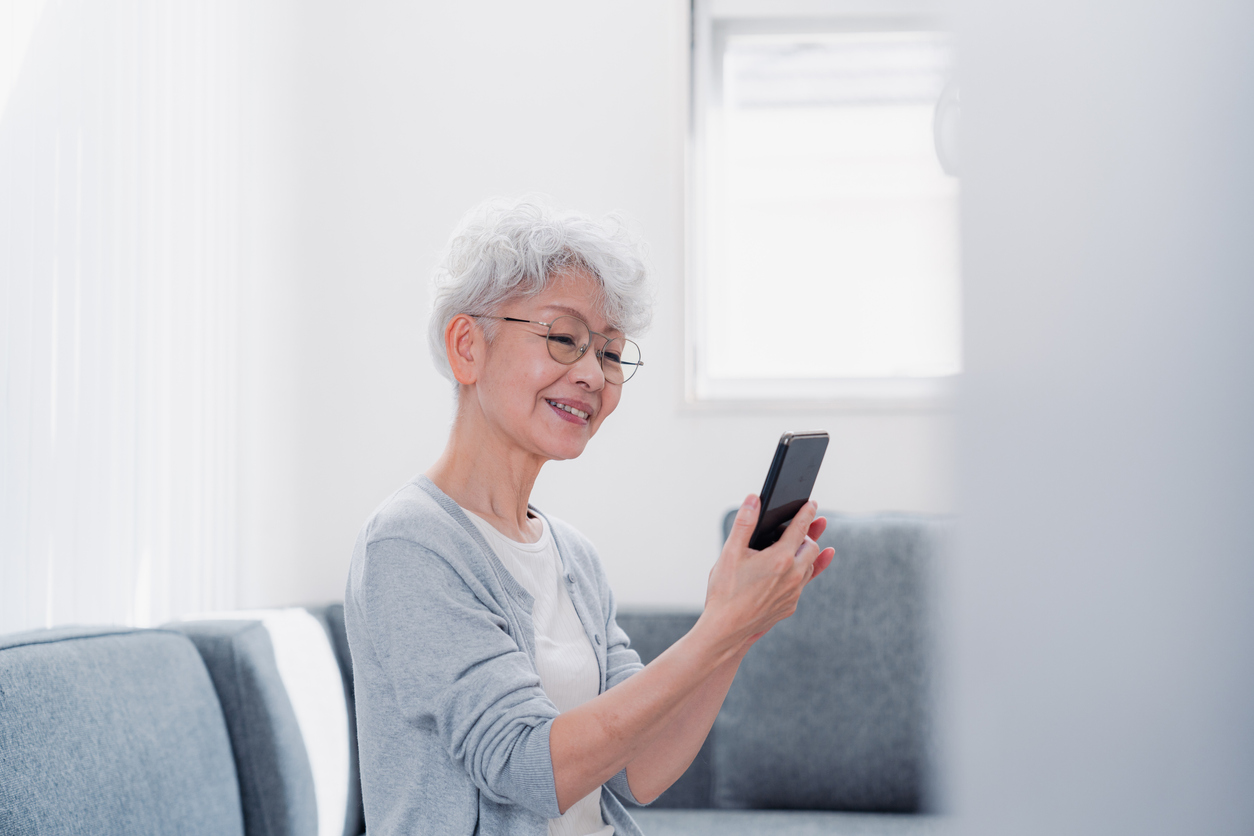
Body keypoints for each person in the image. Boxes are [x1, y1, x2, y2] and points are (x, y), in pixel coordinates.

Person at [343, 198, 835, 836]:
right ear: (468, 347)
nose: (593, 376)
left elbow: (641, 771)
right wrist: (715, 629)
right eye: (564, 339)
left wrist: (739, 631)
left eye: (608, 354)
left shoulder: (573, 556)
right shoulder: (408, 546)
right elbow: (526, 765)